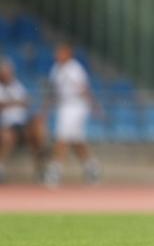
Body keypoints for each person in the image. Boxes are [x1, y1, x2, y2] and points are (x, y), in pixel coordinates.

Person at [44, 44, 98, 187]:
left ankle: (55, 171)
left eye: (61, 53)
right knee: (77, 141)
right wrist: (45, 109)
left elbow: (84, 89)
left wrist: (93, 106)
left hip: (76, 106)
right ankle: (91, 167)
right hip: (63, 106)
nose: (58, 55)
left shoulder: (75, 69)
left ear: (69, 54)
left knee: (62, 137)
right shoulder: (55, 69)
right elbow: (52, 92)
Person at [0, 58, 48, 183]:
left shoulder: (17, 85)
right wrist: (15, 102)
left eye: (8, 71)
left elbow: (26, 102)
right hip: (6, 125)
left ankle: (41, 168)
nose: (6, 74)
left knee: (38, 128)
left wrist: (11, 103)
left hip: (22, 123)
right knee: (7, 137)